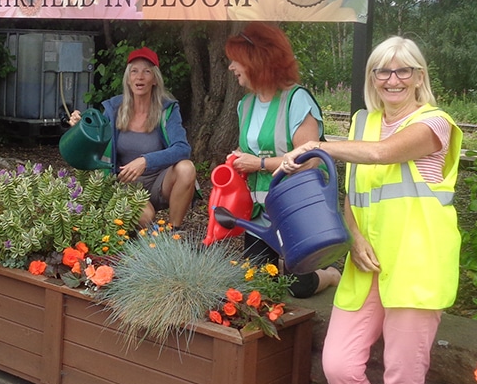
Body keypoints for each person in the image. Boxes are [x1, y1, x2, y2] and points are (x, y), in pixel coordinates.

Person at [280, 36, 462, 384]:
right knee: (338, 365)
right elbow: (355, 195)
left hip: (416, 266)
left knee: (402, 382)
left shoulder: (434, 123)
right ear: (372, 76)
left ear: (418, 76)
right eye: (382, 71)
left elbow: (383, 154)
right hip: (366, 263)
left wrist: (316, 146)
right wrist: (355, 237)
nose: (392, 79)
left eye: (403, 70)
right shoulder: (363, 123)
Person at [224, 22, 341, 298]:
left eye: (236, 60)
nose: (231, 67)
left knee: (298, 287)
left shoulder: (296, 100)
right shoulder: (246, 105)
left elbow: (310, 160)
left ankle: (331, 274)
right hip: (259, 211)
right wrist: (238, 160)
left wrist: (260, 164)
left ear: (257, 60)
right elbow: (252, 150)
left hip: (295, 209)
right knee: (256, 286)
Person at [68, 47, 195, 230]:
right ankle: (146, 236)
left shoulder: (168, 109)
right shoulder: (113, 108)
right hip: (125, 183)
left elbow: (183, 149)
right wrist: (80, 127)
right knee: (146, 217)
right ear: (128, 79)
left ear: (154, 79)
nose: (140, 77)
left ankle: (175, 232)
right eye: (134, 71)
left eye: (146, 71)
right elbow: (96, 137)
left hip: (159, 181)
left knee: (186, 168)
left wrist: (145, 161)